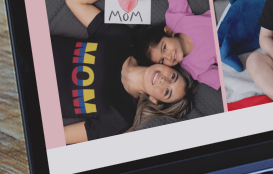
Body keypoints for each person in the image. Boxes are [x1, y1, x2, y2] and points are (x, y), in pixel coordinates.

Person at [53, 34, 189, 144]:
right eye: (172, 77)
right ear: (168, 67)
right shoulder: (125, 40)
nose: (163, 81)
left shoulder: (122, 117)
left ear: (154, 100)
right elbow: (73, 0)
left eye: (167, 92)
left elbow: (62, 136)